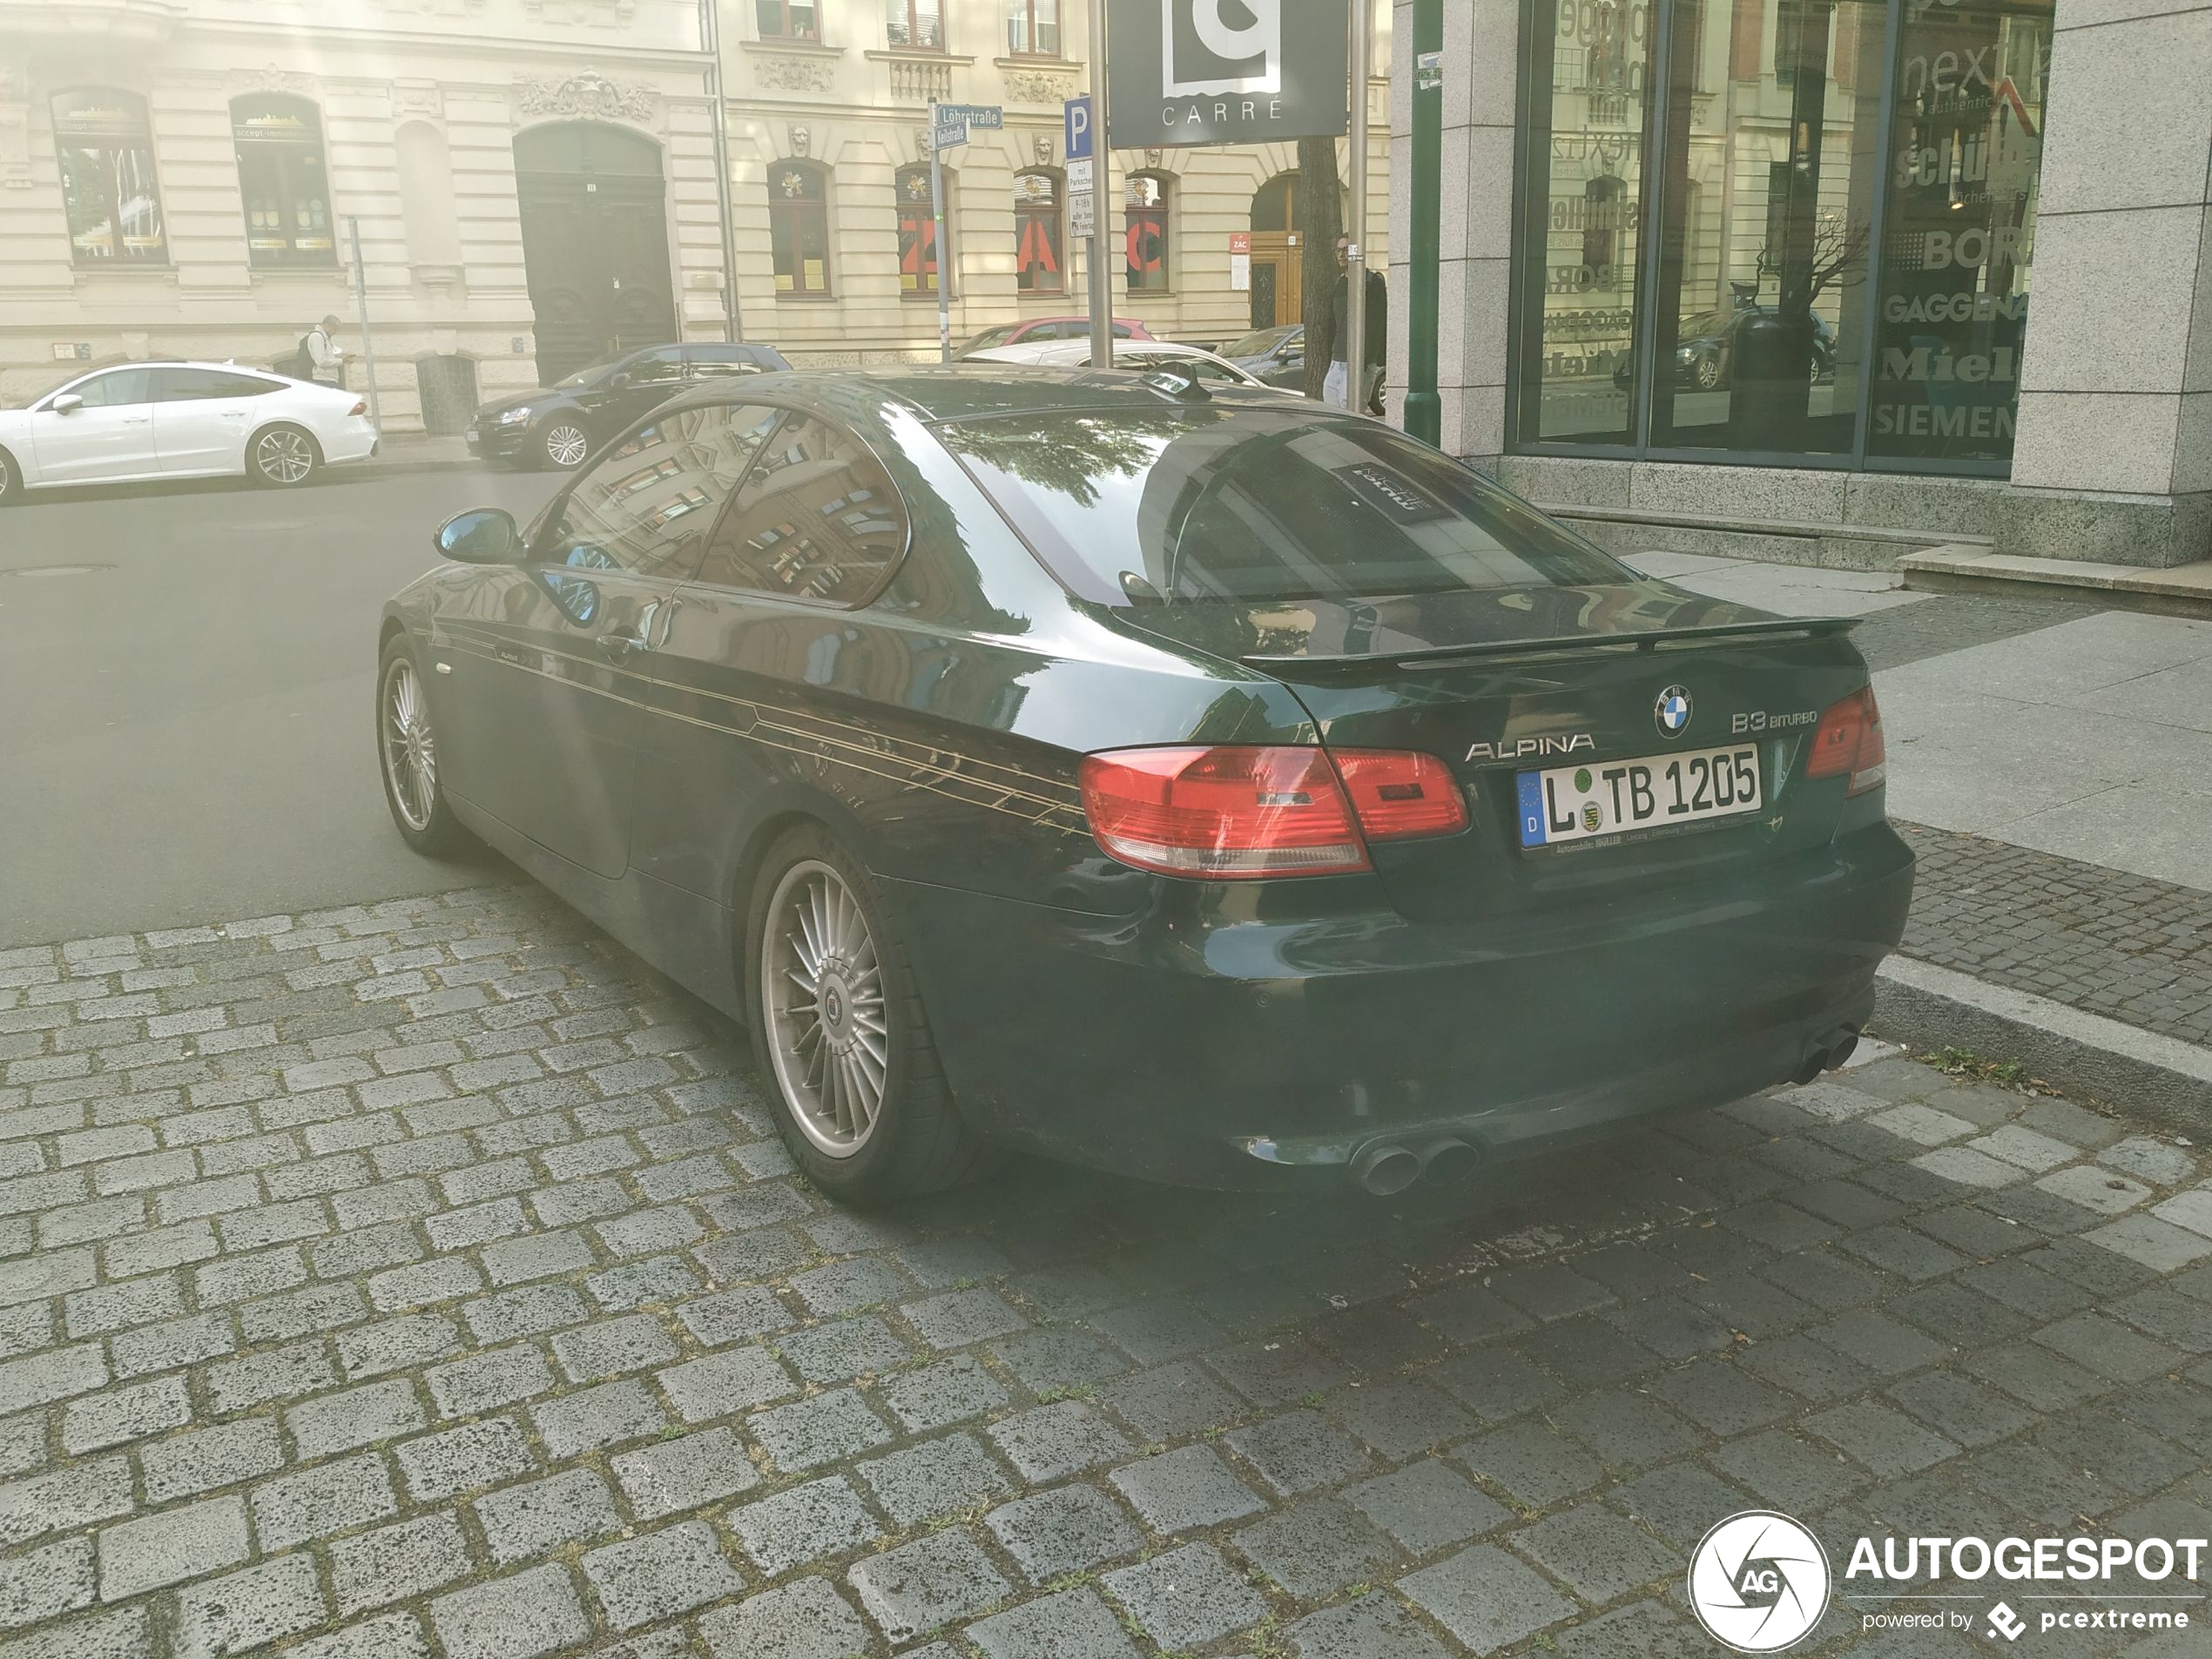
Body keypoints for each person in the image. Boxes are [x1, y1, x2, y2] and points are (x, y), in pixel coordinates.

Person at [1325, 237, 1388, 415]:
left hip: (1359, 363)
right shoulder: (1338, 284)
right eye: (1338, 250)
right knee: (1332, 415)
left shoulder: (1371, 282)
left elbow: (1379, 323)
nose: (1342, 254)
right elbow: (1333, 324)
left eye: (1346, 249)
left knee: (1350, 415)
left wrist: (1369, 361)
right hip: (1336, 361)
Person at [305, 314, 345, 388]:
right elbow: (321, 361)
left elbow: (325, 357)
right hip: (324, 380)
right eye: (334, 329)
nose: (335, 332)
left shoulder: (324, 337)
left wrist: (338, 357)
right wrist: (342, 361)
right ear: (327, 325)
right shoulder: (317, 337)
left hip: (328, 379)